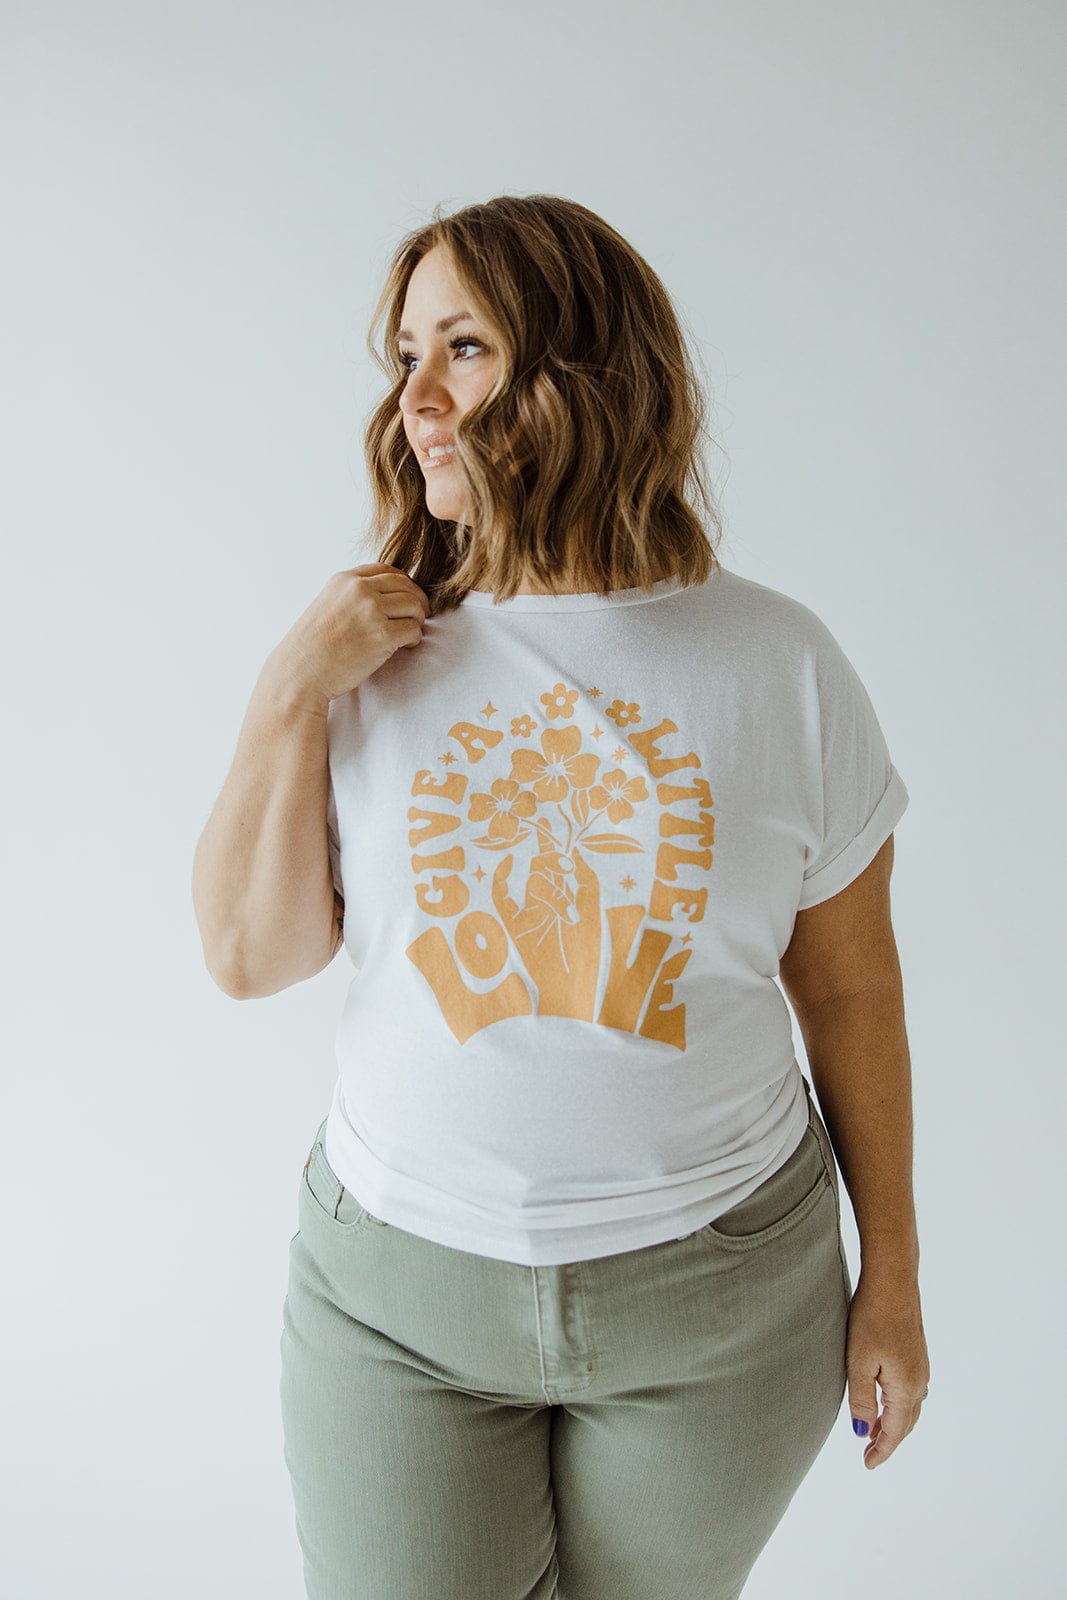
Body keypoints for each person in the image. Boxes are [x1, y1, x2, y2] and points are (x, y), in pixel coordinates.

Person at [192, 194, 930, 1600]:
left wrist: (889, 1274)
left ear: (590, 369)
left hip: (719, 1308)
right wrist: (288, 689)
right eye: (403, 353)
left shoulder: (778, 664)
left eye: (463, 349)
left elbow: (849, 987)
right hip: (398, 1306)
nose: (415, 398)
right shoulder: (369, 656)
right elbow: (246, 954)